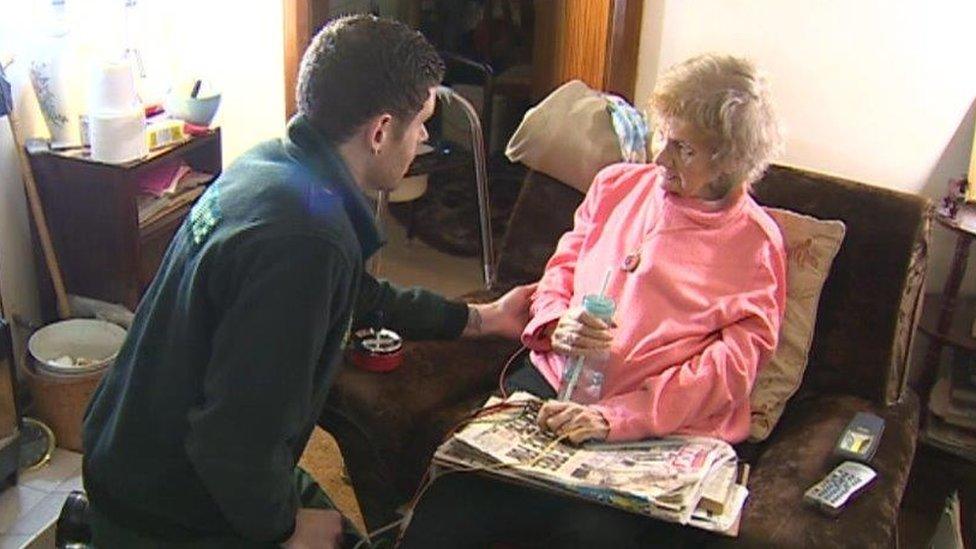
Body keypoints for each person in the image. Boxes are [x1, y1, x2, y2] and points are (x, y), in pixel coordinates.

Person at [82, 15, 533, 549]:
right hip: (169, 504)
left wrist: (482, 319)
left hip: (133, 447)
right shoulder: (304, 245)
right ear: (382, 131)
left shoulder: (278, 171)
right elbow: (230, 441)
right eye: (421, 125)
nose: (425, 138)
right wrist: (285, 530)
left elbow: (359, 294)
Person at [399, 53, 786, 547]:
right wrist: (556, 321)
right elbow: (562, 268)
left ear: (731, 163)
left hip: (656, 425)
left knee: (585, 534)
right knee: (452, 500)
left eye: (684, 149)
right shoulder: (616, 185)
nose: (662, 157)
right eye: (662, 134)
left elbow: (730, 370)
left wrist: (618, 417)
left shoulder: (755, 243)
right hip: (557, 381)